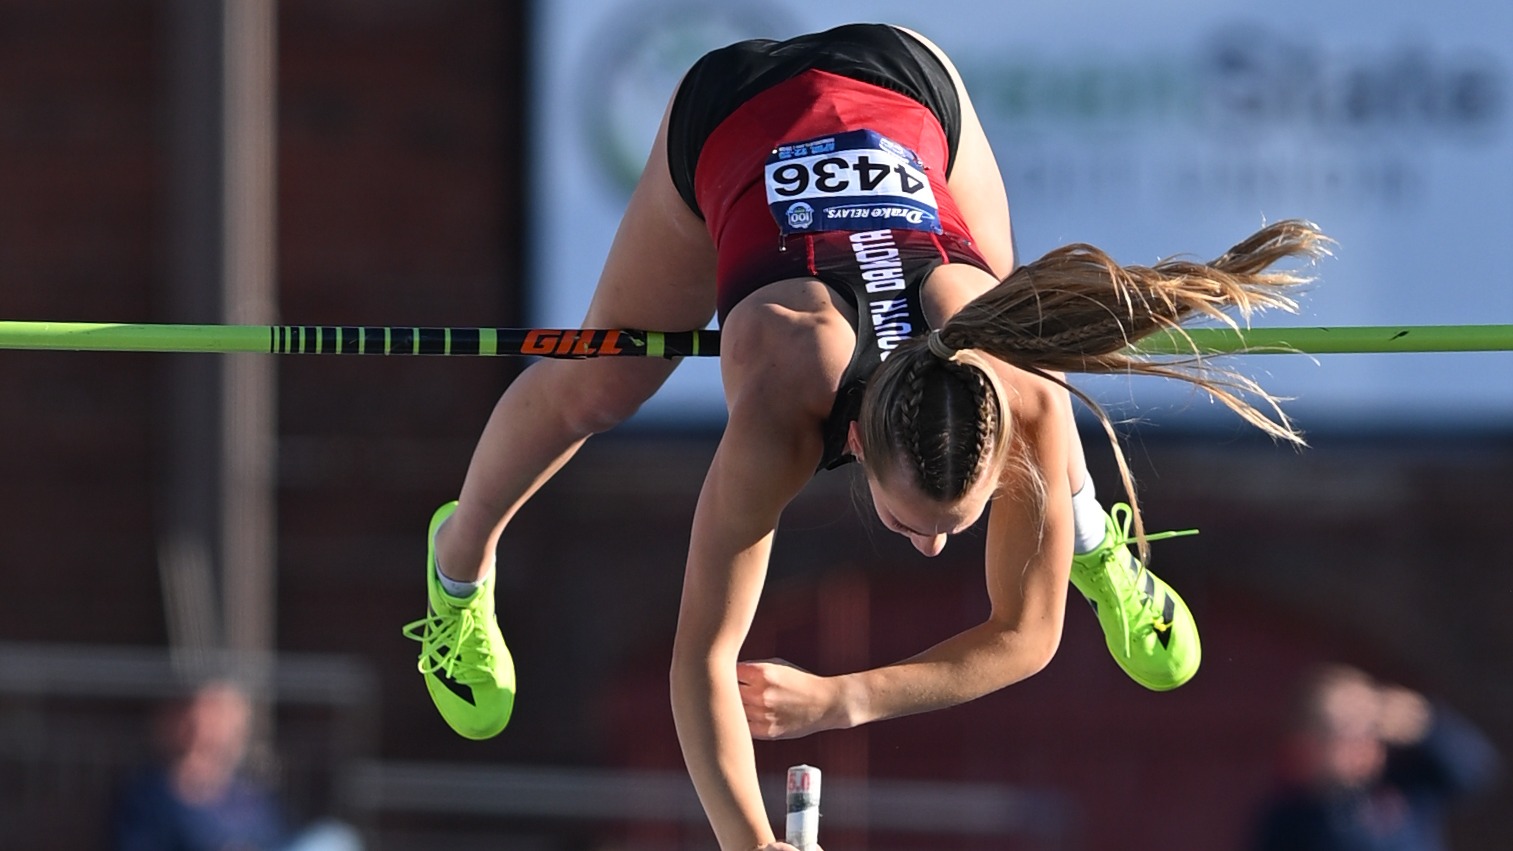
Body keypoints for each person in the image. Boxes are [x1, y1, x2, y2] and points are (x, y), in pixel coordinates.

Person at [401, 23, 1328, 851]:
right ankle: (455, 567)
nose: (932, 544)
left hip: (908, 82)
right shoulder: (778, 408)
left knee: (1024, 353)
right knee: (597, 381)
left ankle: (1089, 540)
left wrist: (844, 697)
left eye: (952, 523)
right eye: (919, 520)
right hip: (729, 112)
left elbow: (1024, 637)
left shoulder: (1010, 385)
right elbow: (701, 661)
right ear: (855, 446)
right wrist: (749, 842)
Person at [1249, 664, 1501, 851]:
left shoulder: (1404, 783)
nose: (1364, 740)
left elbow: (1477, 772)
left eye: (1371, 726)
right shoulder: (1290, 816)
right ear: (1308, 744)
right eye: (1347, 730)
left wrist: (1428, 725)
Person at [110, 679, 364, 851]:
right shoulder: (149, 793)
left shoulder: (247, 793)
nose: (212, 732)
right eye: (204, 721)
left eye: (226, 724)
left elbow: (276, 838)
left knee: (336, 838)